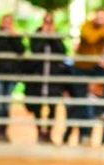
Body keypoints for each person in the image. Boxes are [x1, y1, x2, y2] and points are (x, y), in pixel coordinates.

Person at [67, 9, 104, 145]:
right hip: (80, 67)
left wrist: (103, 30)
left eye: (103, 18)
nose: (100, 20)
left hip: (93, 66)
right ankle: (84, 136)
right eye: (99, 17)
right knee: (81, 103)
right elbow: (90, 38)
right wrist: (102, 31)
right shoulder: (87, 25)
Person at [25, 12, 66, 144]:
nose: (48, 25)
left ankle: (48, 132)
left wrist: (53, 36)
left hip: (53, 79)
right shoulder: (36, 35)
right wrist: (44, 36)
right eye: (46, 22)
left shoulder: (57, 37)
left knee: (53, 108)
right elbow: (34, 50)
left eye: (50, 22)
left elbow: (62, 52)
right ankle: (39, 132)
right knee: (37, 107)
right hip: (38, 78)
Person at [0, 14, 25, 142]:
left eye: (10, 22)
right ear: (2, 22)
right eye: (6, 22)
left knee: (6, 104)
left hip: (11, 74)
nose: (8, 24)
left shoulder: (15, 36)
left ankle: (3, 131)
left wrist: (13, 37)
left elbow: (21, 50)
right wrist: (5, 35)